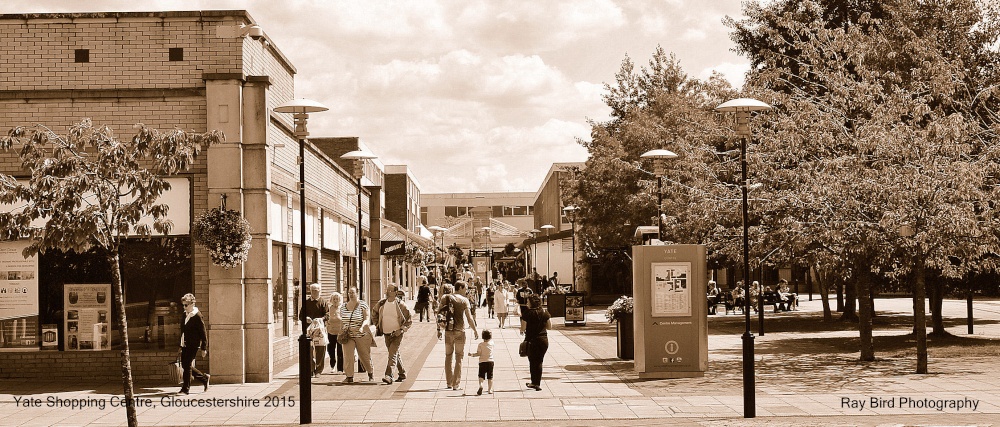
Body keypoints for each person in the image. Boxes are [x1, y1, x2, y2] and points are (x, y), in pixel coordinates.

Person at [437, 282, 479, 391]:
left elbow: (439, 314)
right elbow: (469, 318)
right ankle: (456, 384)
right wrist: (475, 330)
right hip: (460, 331)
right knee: (459, 357)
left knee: (448, 356)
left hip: (448, 331)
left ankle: (449, 382)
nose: (466, 291)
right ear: (460, 288)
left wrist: (439, 330)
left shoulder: (445, 298)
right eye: (465, 288)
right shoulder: (464, 300)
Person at [373, 284, 412, 384]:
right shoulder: (382, 303)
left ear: (395, 292)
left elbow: (408, 320)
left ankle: (389, 376)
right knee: (394, 354)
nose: (387, 292)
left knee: (392, 354)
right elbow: (374, 312)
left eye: (390, 290)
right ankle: (402, 373)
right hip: (386, 333)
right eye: (387, 290)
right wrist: (377, 324)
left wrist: (401, 329)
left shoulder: (401, 305)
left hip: (397, 333)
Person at [340, 285, 374, 384]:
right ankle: (349, 376)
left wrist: (362, 326)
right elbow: (342, 320)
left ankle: (370, 373)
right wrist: (341, 330)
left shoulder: (363, 305)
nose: (350, 294)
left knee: (364, 355)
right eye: (349, 292)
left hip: (361, 334)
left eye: (352, 292)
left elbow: (367, 318)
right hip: (348, 335)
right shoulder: (343, 306)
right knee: (348, 356)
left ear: (357, 293)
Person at [178, 293, 209, 394]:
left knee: (187, 365)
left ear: (192, 304)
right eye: (183, 305)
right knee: (185, 365)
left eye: (186, 305)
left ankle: (185, 389)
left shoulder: (197, 316)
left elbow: (203, 333)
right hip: (185, 344)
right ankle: (204, 379)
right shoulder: (184, 315)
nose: (184, 307)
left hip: (193, 344)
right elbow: (182, 331)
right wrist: (180, 345)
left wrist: (204, 348)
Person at [520, 295, 551, 391]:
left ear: (532, 302)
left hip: (532, 341)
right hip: (543, 340)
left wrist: (522, 330)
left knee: (533, 362)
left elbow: (523, 328)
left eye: (528, 301)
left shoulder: (527, 313)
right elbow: (549, 327)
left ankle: (535, 383)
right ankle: (536, 383)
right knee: (539, 361)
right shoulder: (545, 312)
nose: (527, 303)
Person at [303, 283, 329, 377]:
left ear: (319, 291)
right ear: (310, 291)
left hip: (320, 330)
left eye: (316, 290)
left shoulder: (323, 302)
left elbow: (327, 315)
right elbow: (301, 315)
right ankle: (310, 369)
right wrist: (306, 318)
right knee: (309, 350)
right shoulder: (306, 302)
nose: (314, 292)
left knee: (320, 349)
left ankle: (318, 370)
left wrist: (321, 319)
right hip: (309, 331)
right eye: (313, 290)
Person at [468, 329, 494, 395]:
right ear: (490, 337)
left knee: (481, 376)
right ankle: (490, 389)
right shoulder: (492, 343)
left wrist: (472, 355)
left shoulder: (480, 345)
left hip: (482, 362)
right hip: (490, 361)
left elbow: (478, 353)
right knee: (490, 376)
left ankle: (481, 385)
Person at [326, 291, 344, 373]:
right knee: (330, 350)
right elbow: (326, 317)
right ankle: (332, 365)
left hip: (340, 332)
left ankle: (340, 368)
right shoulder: (329, 308)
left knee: (340, 351)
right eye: (334, 299)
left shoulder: (342, 308)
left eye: (337, 299)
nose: (336, 300)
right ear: (331, 300)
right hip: (331, 332)